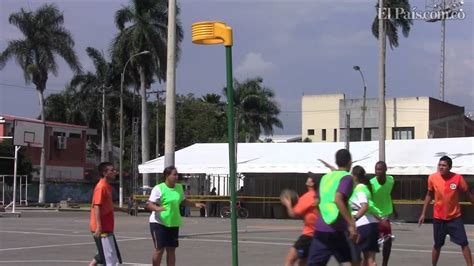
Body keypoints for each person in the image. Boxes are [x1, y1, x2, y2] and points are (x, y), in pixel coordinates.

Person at [418, 156, 474, 266]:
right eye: (439, 165)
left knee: (464, 243)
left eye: (444, 165)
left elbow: (468, 194)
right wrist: (423, 213)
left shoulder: (458, 178)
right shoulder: (432, 178)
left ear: (450, 167)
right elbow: (429, 195)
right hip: (439, 219)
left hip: (455, 218)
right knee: (437, 245)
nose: (441, 167)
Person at [307, 149, 359, 266]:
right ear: (350, 163)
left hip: (321, 228)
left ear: (336, 162)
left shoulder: (326, 178)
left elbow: (317, 202)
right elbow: (338, 199)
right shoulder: (347, 178)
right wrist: (351, 224)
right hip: (337, 230)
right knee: (353, 260)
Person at [146, 166, 205, 266]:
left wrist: (195, 204)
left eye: (177, 174)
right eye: (174, 174)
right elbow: (149, 204)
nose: (177, 177)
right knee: (160, 249)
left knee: (171, 249)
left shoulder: (179, 187)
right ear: (166, 176)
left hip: (173, 222)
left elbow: (183, 201)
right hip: (158, 222)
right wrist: (157, 208)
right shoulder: (159, 188)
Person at [281, 172, 319, 266]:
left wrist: (288, 204)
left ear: (312, 183)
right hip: (316, 235)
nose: (308, 178)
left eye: (310, 178)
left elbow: (293, 214)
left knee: (290, 259)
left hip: (308, 236)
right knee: (303, 262)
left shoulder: (309, 196)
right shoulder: (317, 195)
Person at [350, 166, 385, 266]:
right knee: (370, 261)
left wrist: (354, 219)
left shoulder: (359, 189)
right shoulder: (365, 188)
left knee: (356, 260)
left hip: (363, 226)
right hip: (371, 224)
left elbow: (364, 207)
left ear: (355, 176)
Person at [89, 162, 122, 266]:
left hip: (107, 227)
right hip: (102, 229)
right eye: (112, 170)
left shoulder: (107, 186)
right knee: (110, 260)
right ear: (104, 173)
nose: (114, 172)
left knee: (105, 255)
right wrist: (99, 227)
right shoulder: (101, 187)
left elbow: (108, 206)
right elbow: (97, 207)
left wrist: (124, 210)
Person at [370, 161, 397, 266]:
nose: (377, 171)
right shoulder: (371, 183)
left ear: (385, 170)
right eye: (376, 169)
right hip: (374, 215)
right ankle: (371, 262)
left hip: (385, 214)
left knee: (388, 241)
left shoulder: (391, 180)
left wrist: (394, 209)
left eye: (380, 169)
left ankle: (384, 263)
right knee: (373, 242)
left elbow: (389, 194)